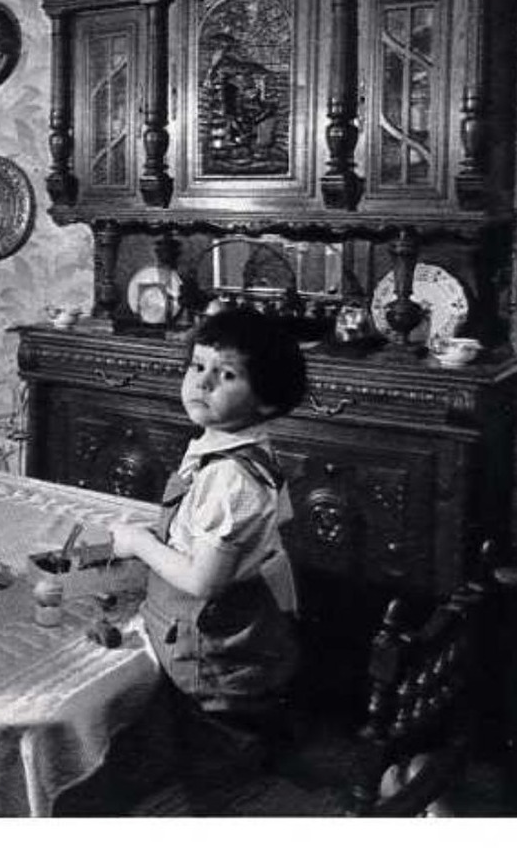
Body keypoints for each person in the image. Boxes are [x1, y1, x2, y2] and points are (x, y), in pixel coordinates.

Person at [109, 308, 307, 772]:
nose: (202, 383)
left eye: (227, 374)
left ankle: (235, 775)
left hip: (203, 637)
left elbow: (202, 583)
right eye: (198, 367)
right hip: (209, 617)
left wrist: (139, 543)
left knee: (206, 743)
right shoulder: (227, 444)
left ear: (267, 400)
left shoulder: (231, 479)